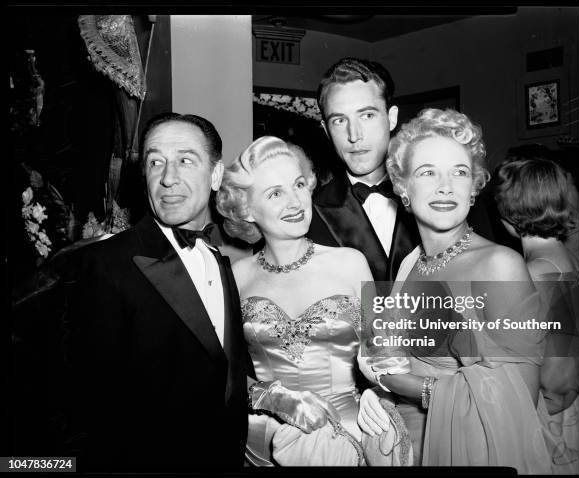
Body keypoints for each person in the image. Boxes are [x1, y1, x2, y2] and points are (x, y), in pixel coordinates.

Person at [357, 108, 552, 473]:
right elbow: (392, 359)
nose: (445, 186)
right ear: (403, 188)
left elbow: (519, 401)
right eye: (427, 172)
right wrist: (378, 393)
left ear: (474, 187)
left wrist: (414, 387)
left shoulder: (500, 265)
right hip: (405, 449)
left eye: (459, 172)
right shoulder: (411, 262)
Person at [62, 113, 250, 472]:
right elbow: (88, 407)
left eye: (184, 160)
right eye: (155, 162)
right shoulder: (104, 263)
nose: (168, 178)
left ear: (215, 175)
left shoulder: (220, 262)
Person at [216, 136, 376, 466]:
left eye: (299, 184)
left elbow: (386, 354)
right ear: (247, 210)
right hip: (263, 442)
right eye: (276, 193)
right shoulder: (234, 276)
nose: (296, 201)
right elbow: (221, 374)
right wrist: (272, 396)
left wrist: (380, 392)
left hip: (347, 435)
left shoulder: (351, 262)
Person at [494, 156, 579, 474]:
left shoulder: (532, 274)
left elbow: (558, 369)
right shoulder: (565, 260)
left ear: (508, 214)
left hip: (548, 413)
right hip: (569, 408)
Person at [307, 57, 419, 281]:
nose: (354, 135)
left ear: (392, 117)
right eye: (339, 120)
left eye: (367, 115)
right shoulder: (309, 214)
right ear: (326, 130)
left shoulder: (435, 195)